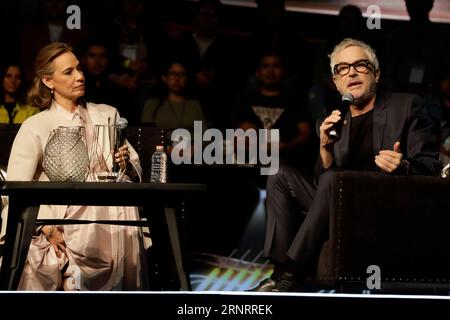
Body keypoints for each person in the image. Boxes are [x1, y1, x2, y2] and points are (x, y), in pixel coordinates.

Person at [251, 38, 441, 292]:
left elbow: (430, 165)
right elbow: (322, 189)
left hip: (384, 209)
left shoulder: (406, 106)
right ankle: (279, 271)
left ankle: (293, 272)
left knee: (336, 179)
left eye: (360, 65)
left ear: (377, 74)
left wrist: (403, 165)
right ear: (335, 83)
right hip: (339, 207)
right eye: (342, 68)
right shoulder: (331, 120)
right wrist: (325, 149)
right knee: (279, 172)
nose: (351, 72)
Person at [0, 42, 148, 290]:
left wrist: (127, 164)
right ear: (49, 81)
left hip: (108, 214)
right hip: (62, 216)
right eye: (68, 72)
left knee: (125, 205)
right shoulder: (37, 126)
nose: (80, 76)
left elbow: (133, 167)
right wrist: (46, 226)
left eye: (79, 69)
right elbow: (15, 189)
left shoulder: (107, 115)